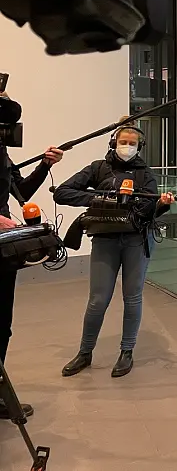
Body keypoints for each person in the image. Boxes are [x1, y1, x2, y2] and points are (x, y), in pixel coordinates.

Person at [53, 122, 175, 378]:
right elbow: (62, 193)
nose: (127, 147)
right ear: (113, 143)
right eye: (123, 142)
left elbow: (148, 210)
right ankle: (85, 352)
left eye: (132, 143)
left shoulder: (145, 174)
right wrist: (103, 199)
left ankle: (126, 351)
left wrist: (161, 204)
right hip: (105, 240)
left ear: (139, 147)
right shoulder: (98, 168)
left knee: (132, 297)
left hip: (136, 240)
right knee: (98, 299)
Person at [0, 88, 64, 420]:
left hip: (2, 249)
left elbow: (20, 192)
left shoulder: (2, 153)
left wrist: (44, 165)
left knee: (2, 326)